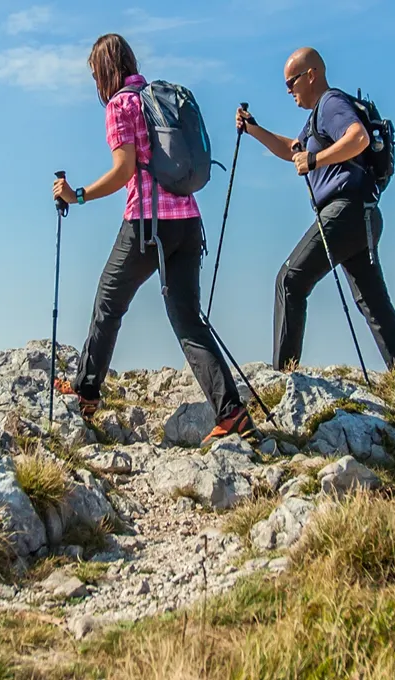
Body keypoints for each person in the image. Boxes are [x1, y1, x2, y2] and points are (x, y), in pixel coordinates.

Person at [50, 33, 253, 440]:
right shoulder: (159, 96)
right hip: (188, 221)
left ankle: (87, 391)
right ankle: (232, 414)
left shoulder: (120, 106)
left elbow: (125, 170)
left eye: (95, 74)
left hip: (146, 223)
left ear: (104, 72)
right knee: (188, 320)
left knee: (109, 299)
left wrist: (80, 194)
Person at [233, 47, 395, 381]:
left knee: (290, 280)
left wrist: (315, 161)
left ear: (312, 75)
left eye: (291, 82)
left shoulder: (331, 104)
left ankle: (284, 376)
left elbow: (358, 137)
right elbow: (292, 150)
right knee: (374, 304)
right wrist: (254, 129)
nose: (288, 90)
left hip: (346, 212)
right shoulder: (316, 120)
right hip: (363, 214)